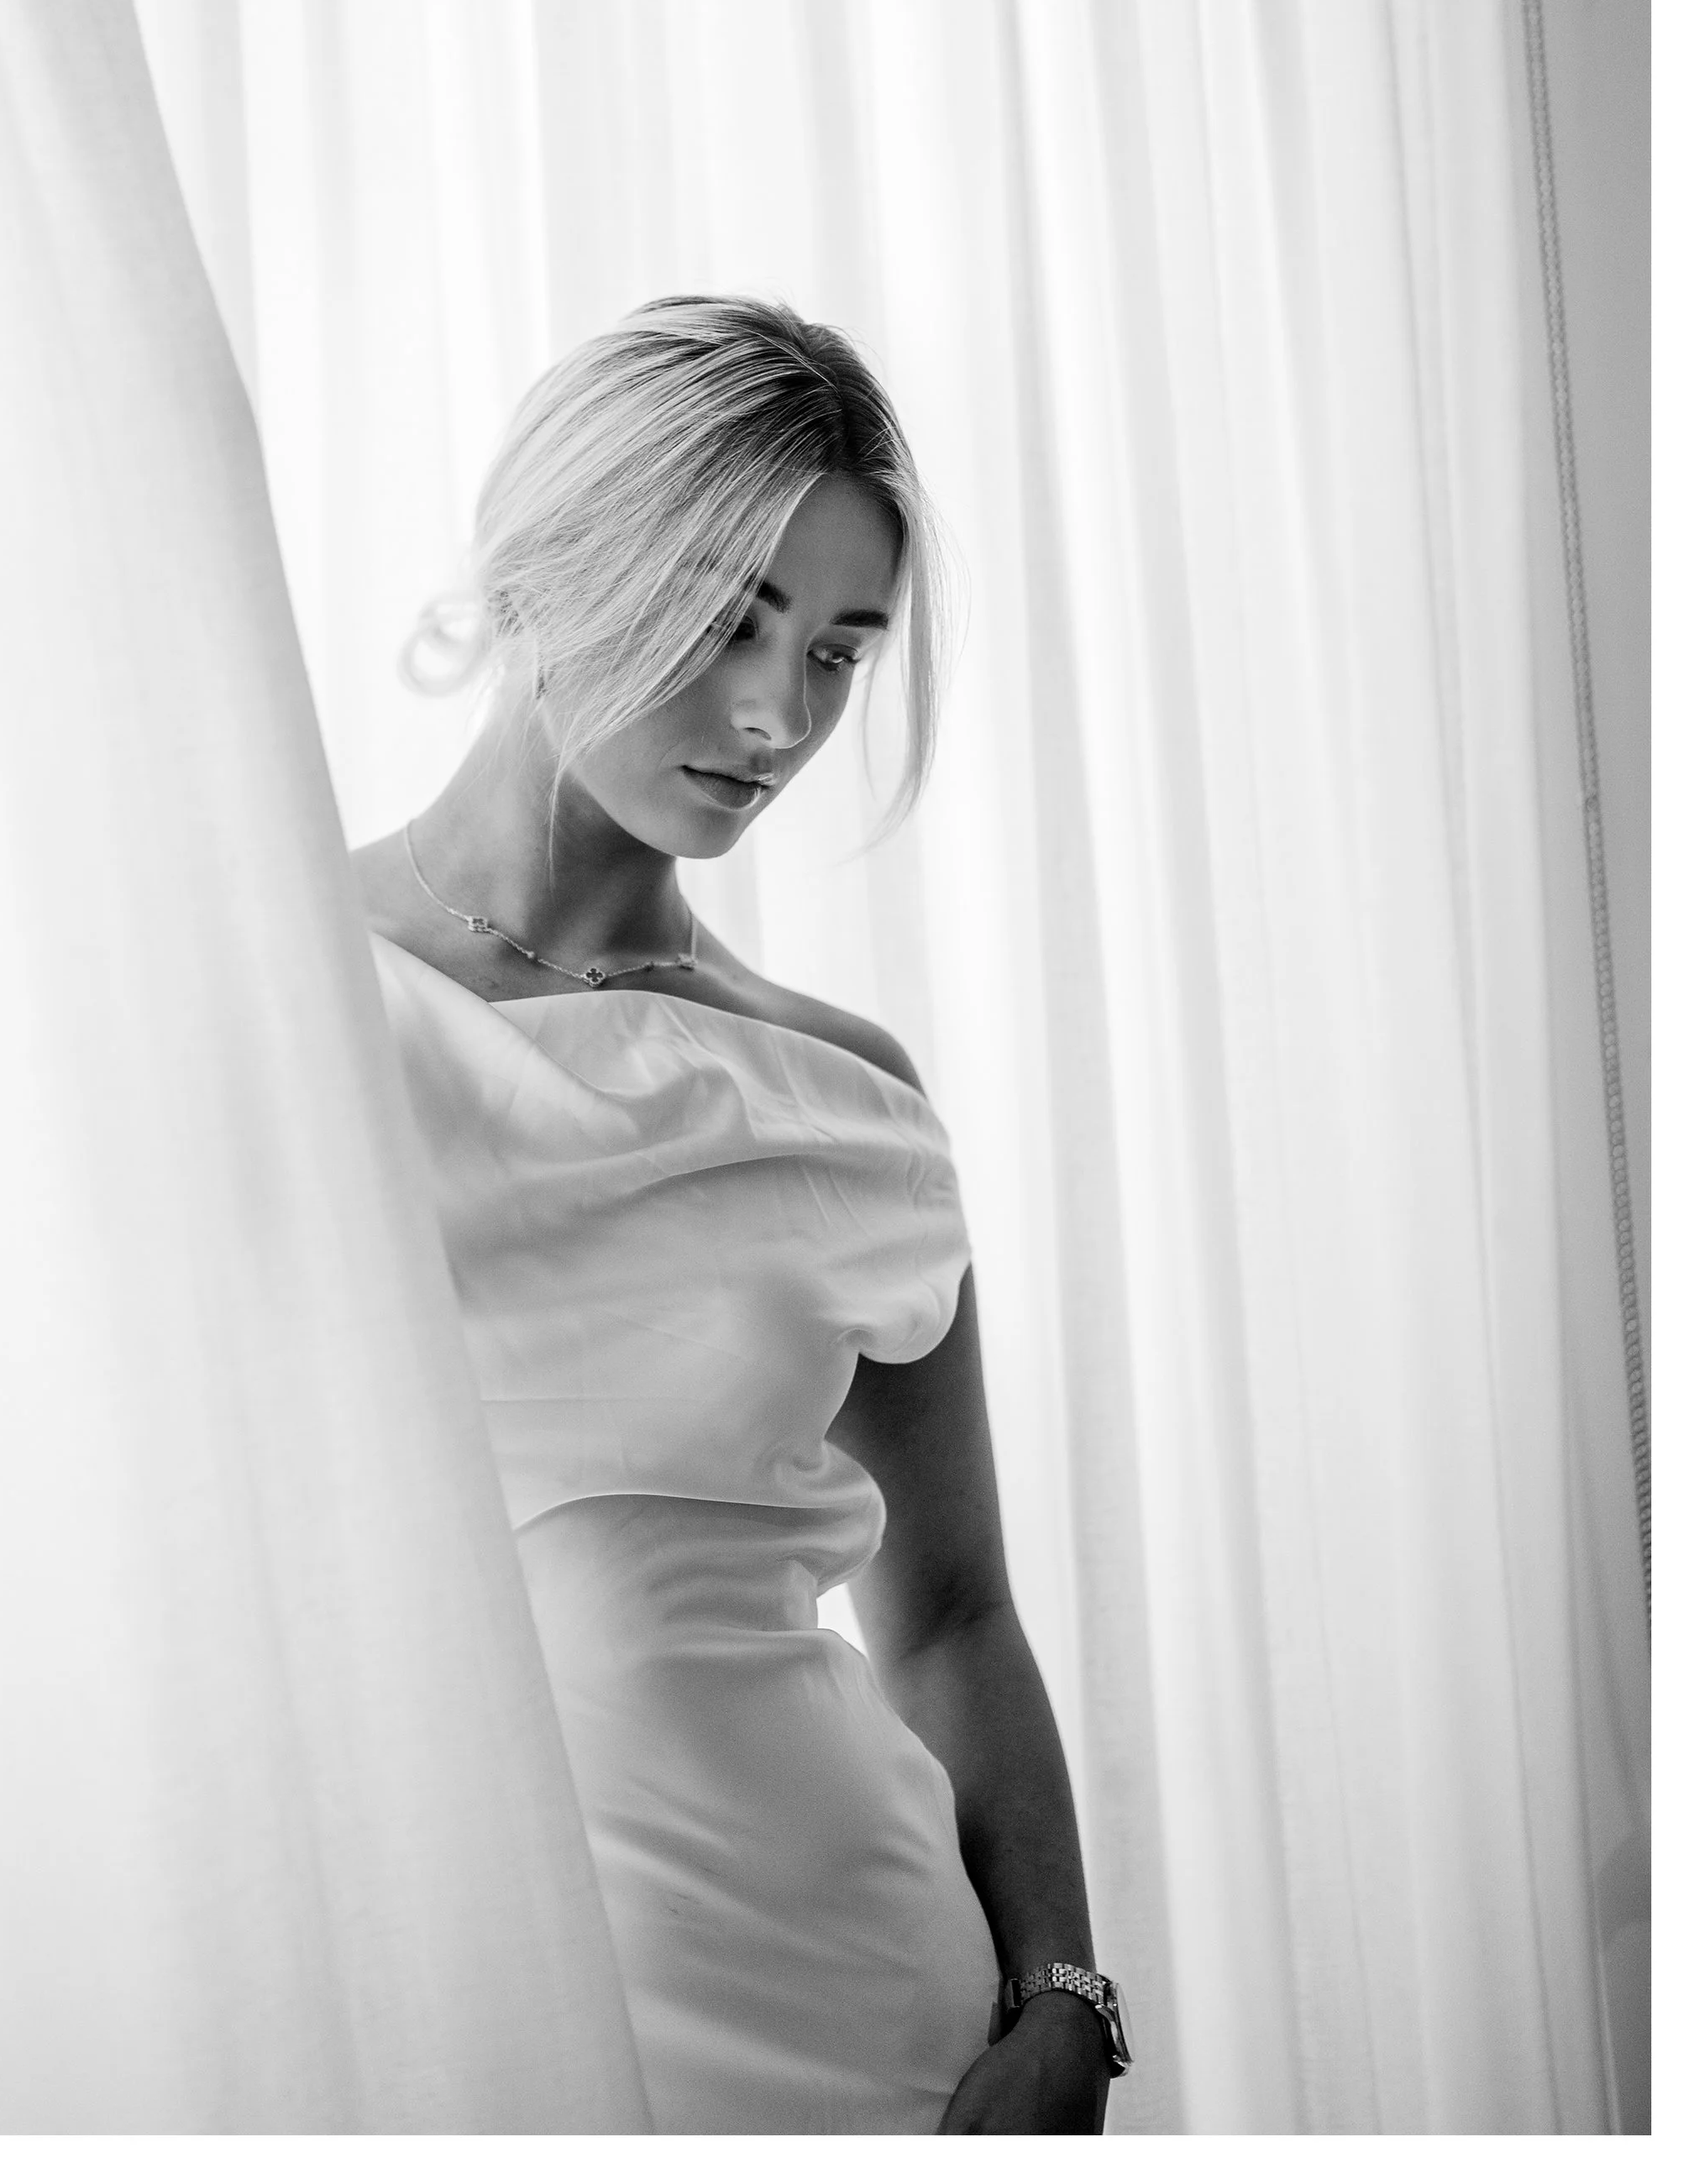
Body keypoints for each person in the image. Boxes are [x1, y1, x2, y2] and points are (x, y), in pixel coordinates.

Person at [353, 296, 1127, 2134]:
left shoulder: (840, 1092)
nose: (779, 714)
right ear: (549, 570)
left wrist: (1060, 2005)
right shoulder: (291, 995)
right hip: (436, 1993)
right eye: (729, 623)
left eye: (843, 652)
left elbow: (948, 1614)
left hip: (865, 2004)